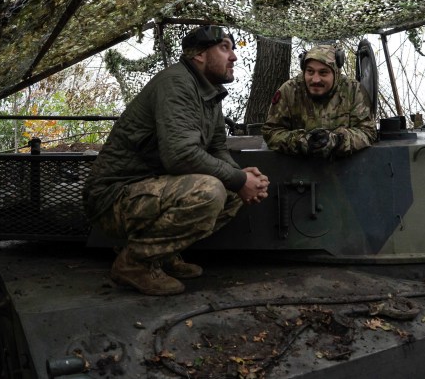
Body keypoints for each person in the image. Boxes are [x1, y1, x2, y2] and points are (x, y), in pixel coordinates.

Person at [83, 23, 269, 296]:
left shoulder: (208, 92)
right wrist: (239, 179)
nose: (234, 57)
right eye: (224, 48)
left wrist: (244, 179)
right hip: (112, 198)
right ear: (199, 55)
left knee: (232, 191)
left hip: (151, 188)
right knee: (210, 191)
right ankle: (134, 263)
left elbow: (217, 147)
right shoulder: (177, 83)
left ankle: (161, 255)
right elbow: (180, 156)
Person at [262, 44, 378, 157]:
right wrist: (302, 142)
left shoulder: (353, 91)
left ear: (335, 73)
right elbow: (271, 131)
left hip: (344, 168)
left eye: (323, 73)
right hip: (297, 168)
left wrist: (337, 141)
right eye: (310, 72)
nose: (315, 79)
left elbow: (368, 131)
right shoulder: (289, 90)